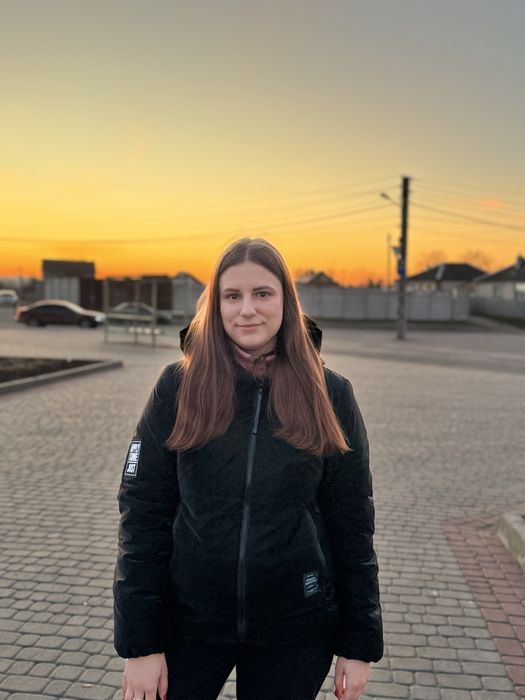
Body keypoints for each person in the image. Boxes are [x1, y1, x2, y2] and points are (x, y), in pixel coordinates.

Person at [113, 238, 383, 700]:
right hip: (188, 621)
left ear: (286, 300)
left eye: (262, 293)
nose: (247, 310)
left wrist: (358, 644)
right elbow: (142, 513)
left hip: (295, 627)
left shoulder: (330, 393)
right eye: (232, 296)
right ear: (216, 304)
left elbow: (353, 521)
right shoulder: (179, 385)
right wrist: (141, 644)